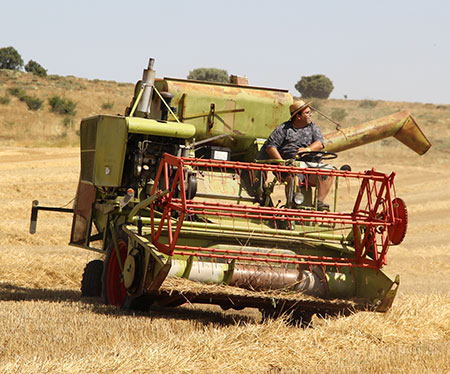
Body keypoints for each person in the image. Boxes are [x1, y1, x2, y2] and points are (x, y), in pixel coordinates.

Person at [261, 100, 334, 210]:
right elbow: (270, 147)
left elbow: (320, 143)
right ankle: (295, 203)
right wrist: (282, 164)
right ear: (298, 116)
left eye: (310, 112)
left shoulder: (313, 128)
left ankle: (319, 202)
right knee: (294, 179)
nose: (311, 115)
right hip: (291, 167)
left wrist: (307, 150)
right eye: (307, 113)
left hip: (310, 166)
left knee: (328, 174)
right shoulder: (284, 129)